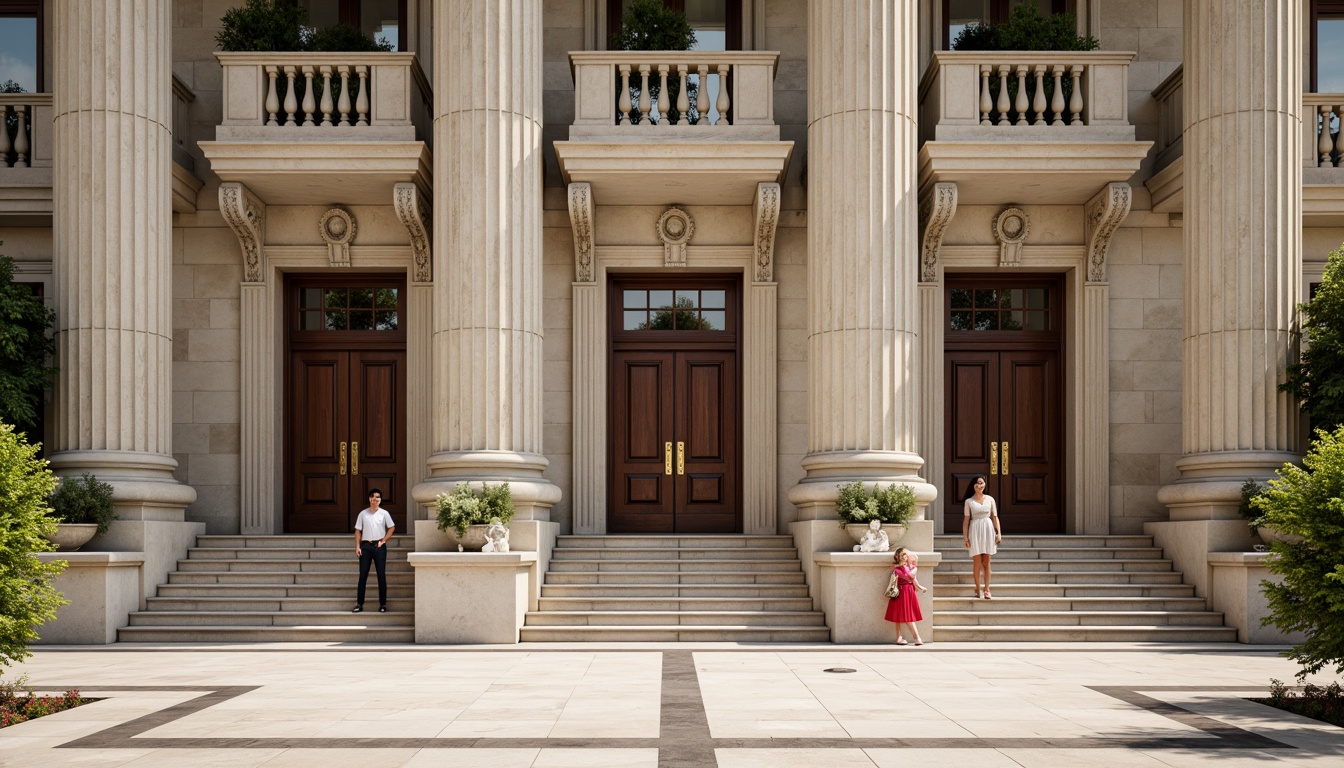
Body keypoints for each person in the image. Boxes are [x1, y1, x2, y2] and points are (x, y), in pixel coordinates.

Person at [352, 488, 395, 613]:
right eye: (372, 496)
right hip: (365, 546)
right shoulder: (363, 514)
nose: (375, 499)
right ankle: (359, 604)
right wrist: (357, 546)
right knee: (363, 576)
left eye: (377, 497)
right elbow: (358, 530)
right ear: (369, 499)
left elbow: (391, 527)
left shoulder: (384, 513)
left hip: (379, 546)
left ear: (380, 500)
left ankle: (382, 604)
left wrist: (384, 540)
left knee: (381, 575)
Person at [961, 476, 1002, 599]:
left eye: (982, 483)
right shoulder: (969, 501)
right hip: (975, 530)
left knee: (987, 562)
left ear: (985, 484)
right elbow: (966, 520)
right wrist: (965, 537)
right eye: (977, 483)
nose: (980, 486)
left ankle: (987, 589)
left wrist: (998, 532)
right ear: (973, 485)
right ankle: (978, 589)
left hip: (988, 529)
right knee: (977, 562)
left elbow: (995, 517)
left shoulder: (990, 499)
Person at [884, 547, 928, 645]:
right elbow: (909, 577)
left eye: (906, 555)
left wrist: (921, 587)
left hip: (908, 592)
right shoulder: (899, 569)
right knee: (900, 616)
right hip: (901, 592)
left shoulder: (908, 568)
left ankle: (905, 637)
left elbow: (914, 580)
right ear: (900, 557)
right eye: (905, 555)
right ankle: (914, 638)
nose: (906, 557)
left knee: (906, 616)